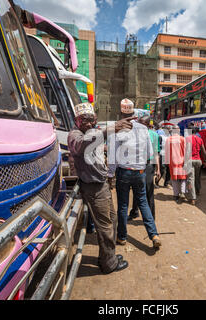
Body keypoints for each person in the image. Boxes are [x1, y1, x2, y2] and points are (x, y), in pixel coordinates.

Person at [68, 102, 133, 274]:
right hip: (94, 188)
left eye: (92, 120)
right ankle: (109, 264)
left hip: (101, 185)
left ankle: (107, 256)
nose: (89, 123)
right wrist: (108, 130)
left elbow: (94, 146)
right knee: (105, 227)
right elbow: (83, 145)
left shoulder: (90, 134)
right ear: (77, 121)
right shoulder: (75, 135)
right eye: (85, 120)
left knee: (112, 221)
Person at [107, 99, 162, 249]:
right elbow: (150, 153)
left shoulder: (116, 129)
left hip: (124, 172)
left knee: (123, 205)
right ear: (134, 114)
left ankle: (122, 237)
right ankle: (154, 234)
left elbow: (112, 156)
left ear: (120, 113)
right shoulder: (144, 129)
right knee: (143, 203)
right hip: (140, 172)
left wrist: (110, 175)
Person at [128, 114, 161, 221]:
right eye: (139, 122)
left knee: (148, 191)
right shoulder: (134, 134)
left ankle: (151, 217)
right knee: (136, 188)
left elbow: (156, 153)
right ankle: (134, 212)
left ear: (147, 124)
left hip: (148, 165)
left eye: (142, 122)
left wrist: (158, 169)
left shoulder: (154, 135)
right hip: (136, 164)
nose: (139, 124)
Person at [165, 125, 188, 204]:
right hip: (181, 161)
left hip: (172, 162)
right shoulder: (183, 139)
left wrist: (167, 162)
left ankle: (175, 194)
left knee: (174, 179)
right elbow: (186, 151)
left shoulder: (169, 139)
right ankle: (182, 192)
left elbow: (167, 152)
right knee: (183, 178)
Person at [185, 124, 206, 204]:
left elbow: (186, 151)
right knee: (197, 177)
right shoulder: (199, 139)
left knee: (191, 179)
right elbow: (204, 151)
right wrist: (205, 161)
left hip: (190, 161)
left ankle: (193, 198)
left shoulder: (187, 139)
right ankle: (198, 191)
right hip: (198, 161)